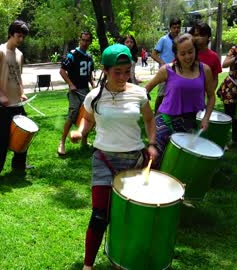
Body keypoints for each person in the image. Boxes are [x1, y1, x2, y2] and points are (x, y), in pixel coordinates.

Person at [69, 44, 158, 270]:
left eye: (126, 71)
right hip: (104, 159)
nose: (122, 76)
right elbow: (87, 119)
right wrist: (80, 131)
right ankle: (88, 265)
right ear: (105, 71)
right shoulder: (94, 96)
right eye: (117, 72)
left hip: (133, 161)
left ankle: (121, 259)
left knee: (128, 215)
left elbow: (149, 119)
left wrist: (152, 143)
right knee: (100, 215)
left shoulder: (139, 94)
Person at [146, 33, 215, 165]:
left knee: (181, 162)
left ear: (195, 50)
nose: (187, 57)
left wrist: (206, 117)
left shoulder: (204, 70)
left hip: (191, 122)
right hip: (165, 121)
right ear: (176, 54)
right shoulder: (167, 70)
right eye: (182, 53)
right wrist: (147, 114)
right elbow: (146, 90)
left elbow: (211, 96)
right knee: (155, 159)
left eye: (190, 52)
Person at [0, 20, 31, 184]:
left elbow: (19, 77)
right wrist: (0, 94)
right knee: (3, 138)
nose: (21, 40)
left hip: (18, 103)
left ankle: (19, 165)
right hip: (2, 105)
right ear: (11, 34)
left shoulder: (19, 54)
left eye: (23, 37)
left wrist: (22, 92)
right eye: (19, 36)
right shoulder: (0, 52)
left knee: (26, 133)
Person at [57, 31, 96, 156]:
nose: (85, 43)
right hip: (75, 90)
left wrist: (93, 85)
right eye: (83, 40)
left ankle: (84, 141)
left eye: (87, 40)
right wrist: (71, 84)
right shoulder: (72, 55)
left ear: (90, 42)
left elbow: (89, 73)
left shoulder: (89, 57)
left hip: (85, 90)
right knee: (73, 113)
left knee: (88, 114)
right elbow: (62, 71)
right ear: (79, 40)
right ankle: (62, 142)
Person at [151, 18, 181, 113]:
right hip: (165, 72)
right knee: (161, 95)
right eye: (174, 27)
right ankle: (156, 115)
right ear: (170, 28)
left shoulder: (181, 40)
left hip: (178, 71)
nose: (176, 29)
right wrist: (162, 63)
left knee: (175, 94)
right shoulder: (163, 39)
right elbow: (153, 54)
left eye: (178, 27)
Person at [189, 21, 222, 93]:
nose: (198, 38)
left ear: (208, 37)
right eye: (195, 35)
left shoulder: (214, 57)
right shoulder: (187, 54)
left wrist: (210, 95)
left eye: (202, 35)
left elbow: (215, 79)